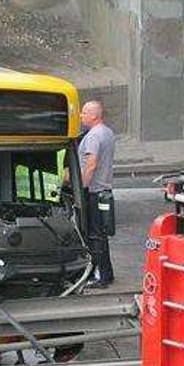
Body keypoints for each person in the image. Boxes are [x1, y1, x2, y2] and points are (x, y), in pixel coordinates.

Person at [77, 100, 115, 288]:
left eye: (84, 113)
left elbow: (91, 165)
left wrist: (82, 189)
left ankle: (101, 277)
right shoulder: (108, 132)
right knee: (101, 233)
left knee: (94, 235)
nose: (81, 116)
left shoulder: (93, 136)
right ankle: (106, 273)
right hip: (104, 191)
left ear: (94, 116)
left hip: (93, 192)